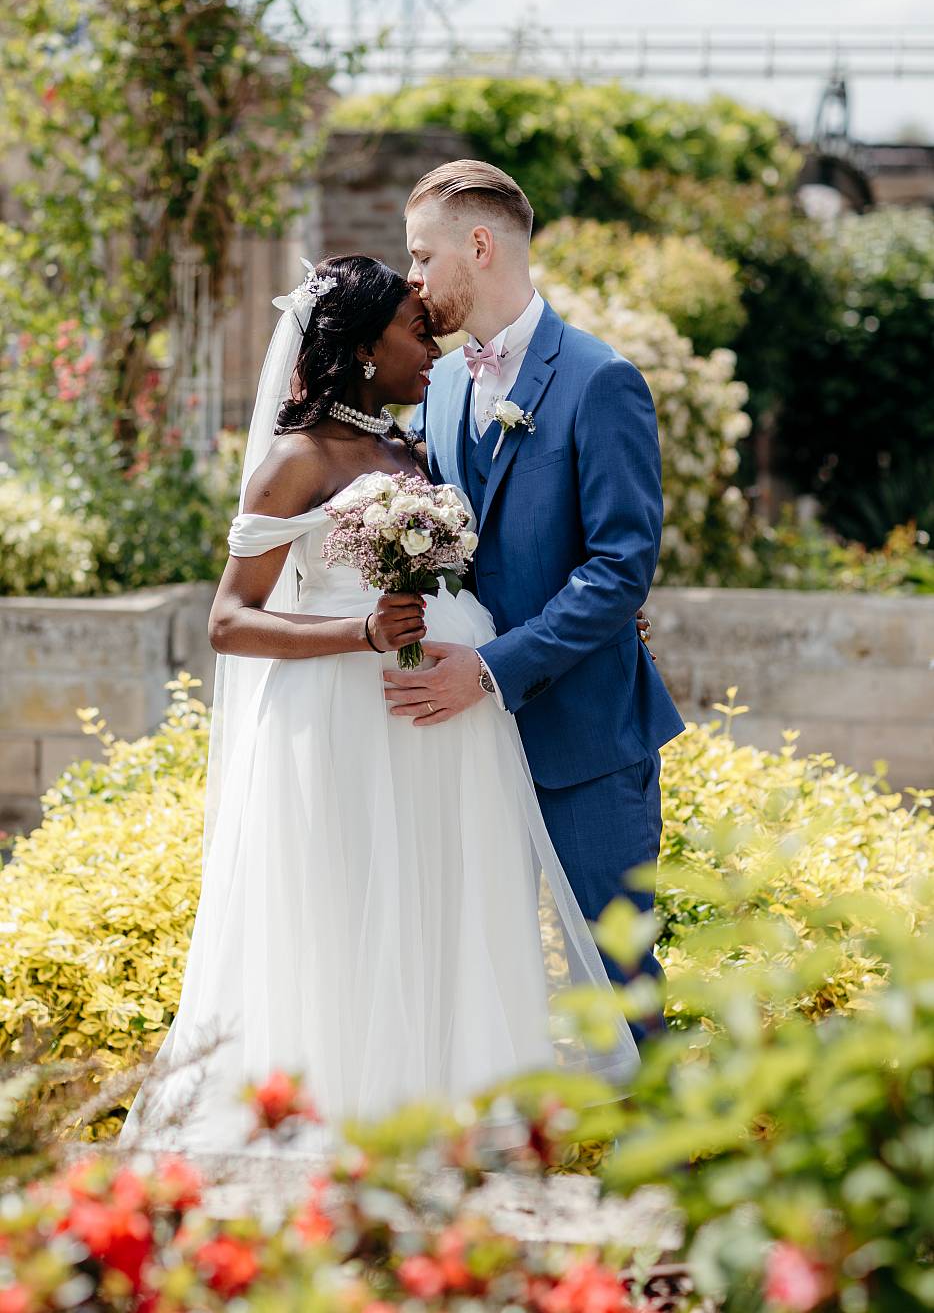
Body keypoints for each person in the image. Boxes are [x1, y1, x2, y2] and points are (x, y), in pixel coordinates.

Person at [117, 254, 638, 1157]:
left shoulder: (415, 449)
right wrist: (359, 635)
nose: (431, 344)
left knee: (447, 909)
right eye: (414, 329)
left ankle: (455, 1128)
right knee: (352, 916)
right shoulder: (296, 458)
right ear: (361, 346)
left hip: (446, 722)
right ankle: (341, 1137)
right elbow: (229, 622)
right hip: (342, 724)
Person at [384, 162, 685, 1041]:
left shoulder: (601, 381)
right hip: (465, 750)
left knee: (621, 980)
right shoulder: (437, 387)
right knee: (486, 972)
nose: (412, 278)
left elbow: (618, 572)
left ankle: (664, 1170)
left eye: (422, 256)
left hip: (584, 740)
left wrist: (487, 670)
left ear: (478, 247)